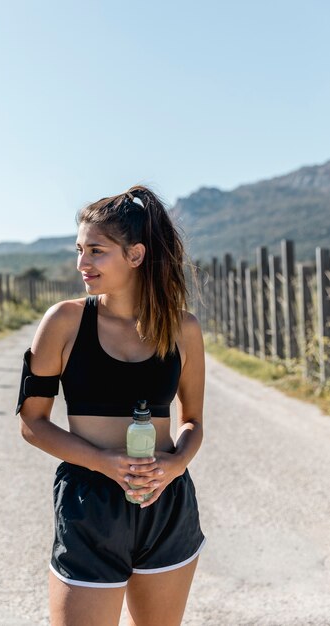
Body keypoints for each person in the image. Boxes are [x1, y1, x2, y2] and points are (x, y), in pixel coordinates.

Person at [16, 184, 206, 626]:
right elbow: (31, 422)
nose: (82, 263)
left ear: (135, 255)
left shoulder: (183, 329)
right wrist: (103, 461)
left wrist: (176, 465)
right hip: (89, 500)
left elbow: (193, 420)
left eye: (96, 251)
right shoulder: (63, 321)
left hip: (165, 501)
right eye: (79, 249)